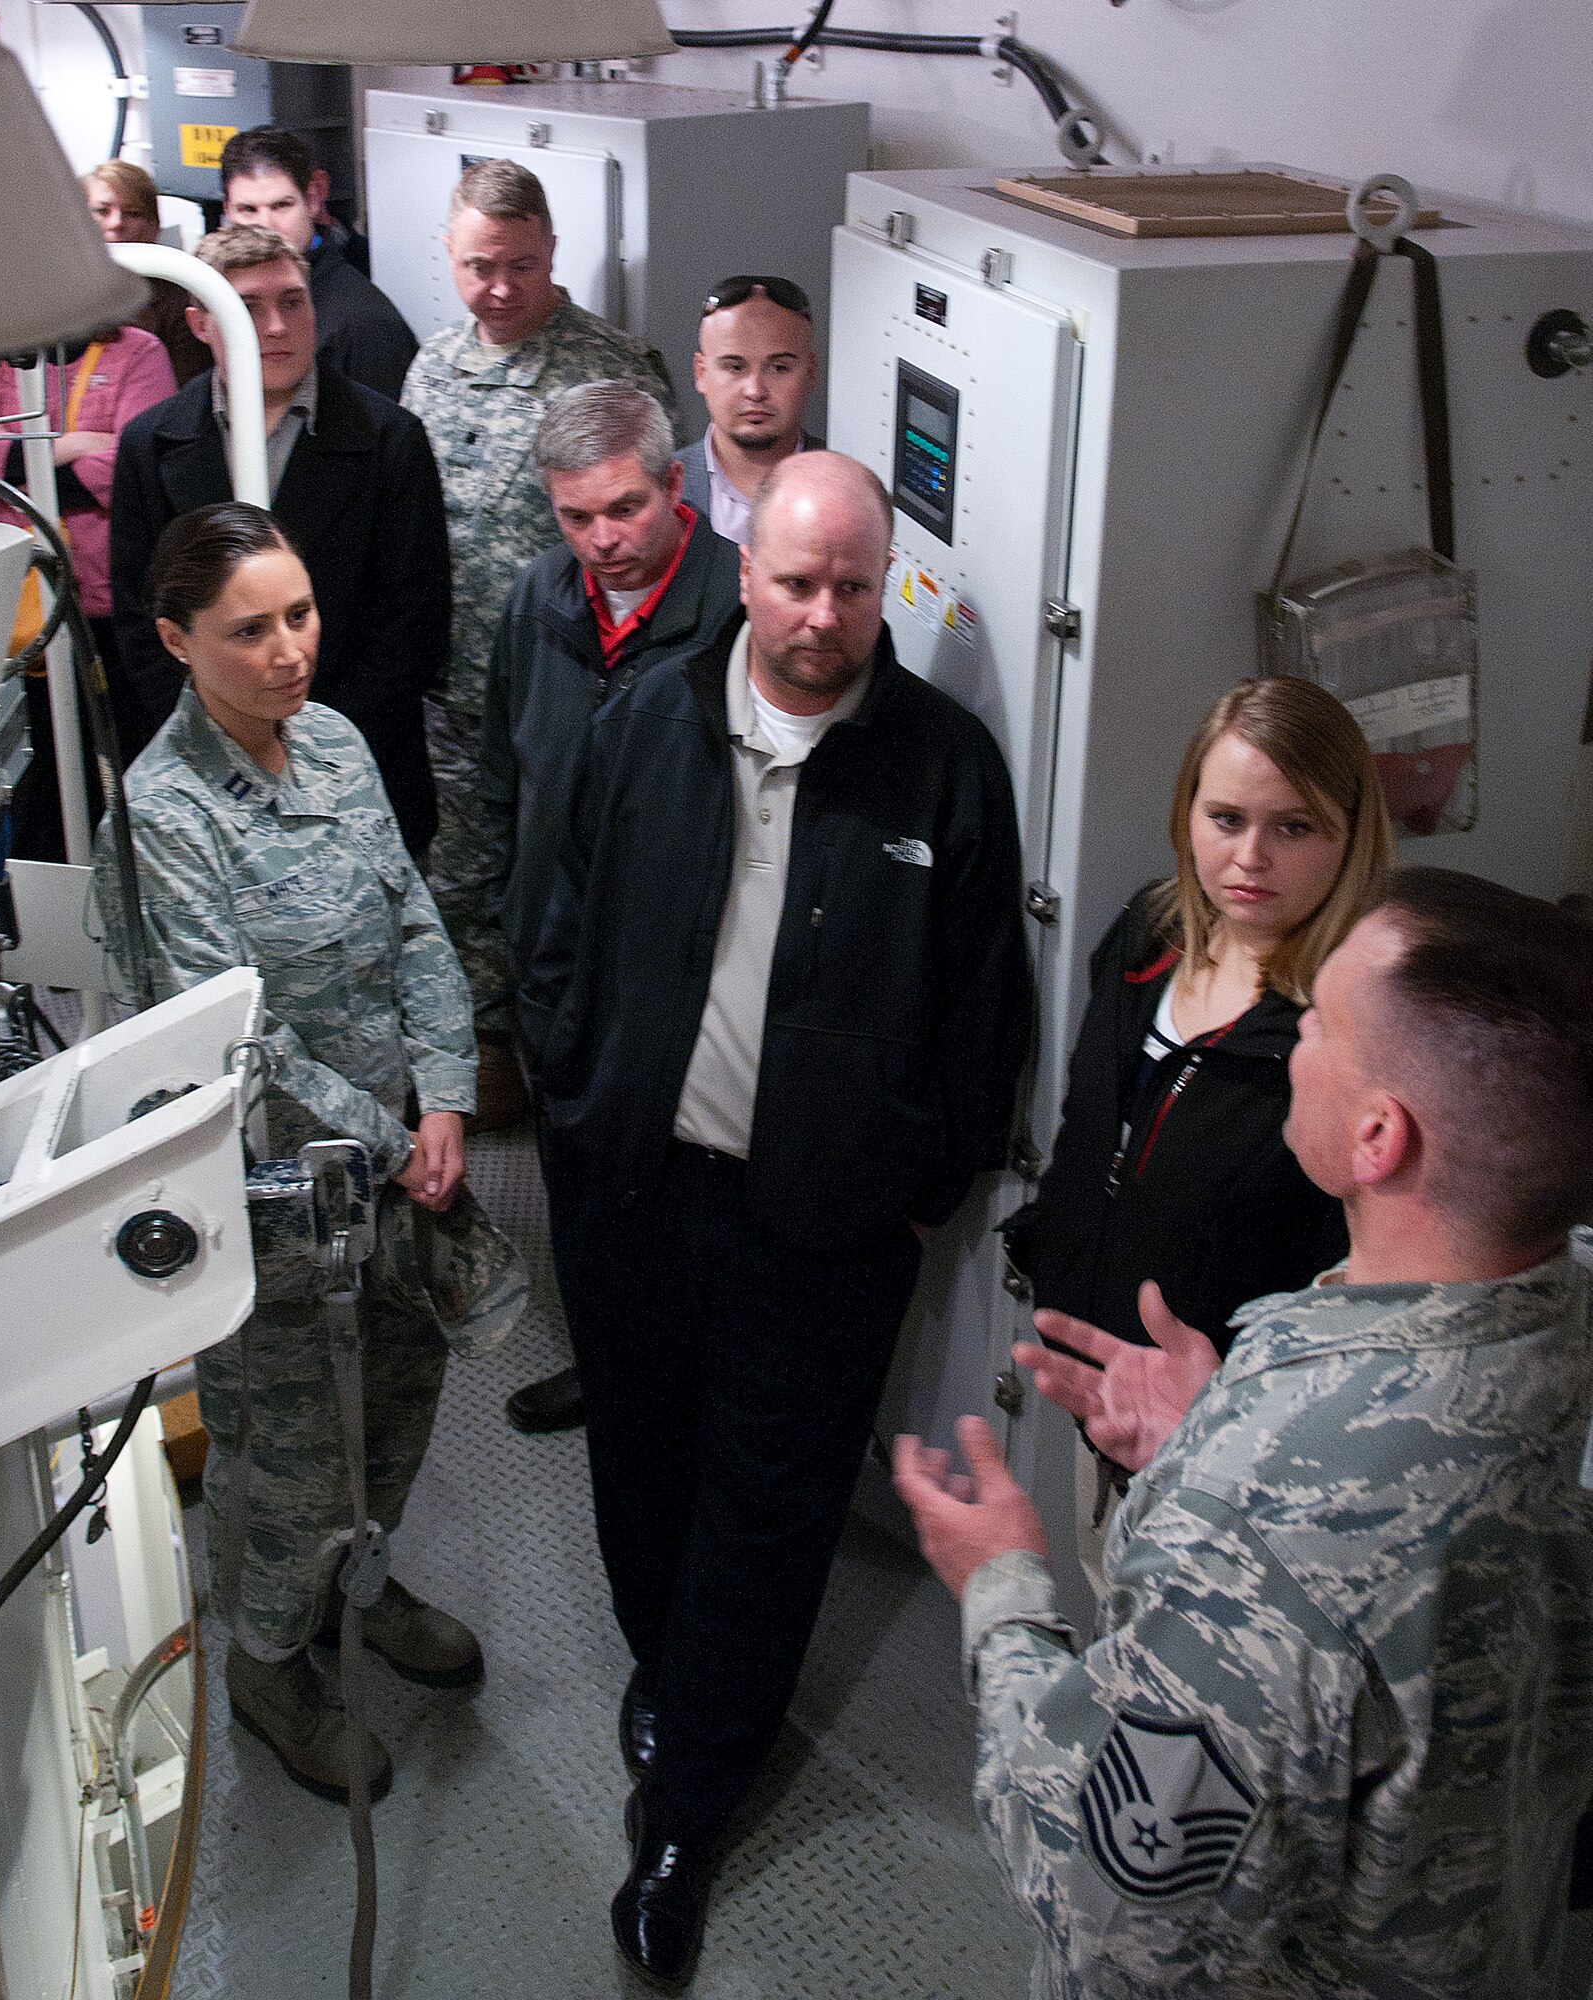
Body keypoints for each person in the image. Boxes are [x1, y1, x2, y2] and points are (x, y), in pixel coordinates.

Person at [895, 866, 1593, 2000]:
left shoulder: (1259, 1532)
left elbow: (1105, 1909)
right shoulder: (1551, 1324)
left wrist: (1004, 1587)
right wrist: (1213, 1426)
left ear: (1379, 1136)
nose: (1293, 1038)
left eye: (1317, 1021)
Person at [519, 450, 1032, 1985]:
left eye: (853, 587)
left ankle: (686, 1813)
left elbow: (979, 1011)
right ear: (739, 570)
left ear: (884, 589)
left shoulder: (939, 769)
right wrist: (572, 1093)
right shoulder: (641, 725)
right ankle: (668, 1672)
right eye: (796, 581)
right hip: (634, 1190)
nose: (822, 615)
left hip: (820, 1228)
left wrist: (913, 1179)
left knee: (771, 1502)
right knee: (642, 1457)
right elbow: (553, 925)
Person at [92, 503, 482, 1803]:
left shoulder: (336, 745)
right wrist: (389, 1139)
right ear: (175, 642)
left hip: (398, 1171)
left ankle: (340, 1593)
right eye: (247, 631)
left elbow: (415, 924)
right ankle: (266, 1659)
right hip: (274, 1202)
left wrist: (445, 1098)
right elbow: (232, 1054)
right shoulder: (165, 816)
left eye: (298, 615)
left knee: (401, 1404)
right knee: (297, 1447)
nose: (287, 652)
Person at [1001, 677, 1395, 1584]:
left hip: (1225, 1439)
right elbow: (1091, 1125)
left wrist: (1227, 1412)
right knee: (1107, 1589)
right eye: (1225, 819)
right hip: (1099, 1388)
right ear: (1187, 816)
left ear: (1348, 836)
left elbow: (1355, 1280)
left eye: (1292, 827)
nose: (1249, 856)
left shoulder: (1348, 1026)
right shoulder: (1147, 936)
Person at [478, 380, 743, 1439]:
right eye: (576, 515)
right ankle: (608, 1368)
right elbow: (503, 774)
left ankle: (692, 1389)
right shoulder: (538, 601)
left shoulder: (736, 611)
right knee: (577, 1196)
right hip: (554, 964)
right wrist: (511, 920)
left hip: (680, 981)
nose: (602, 539)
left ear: (675, 485)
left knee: (684, 1203)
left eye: (624, 509)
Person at [401, 158, 674, 1128]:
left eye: (520, 264)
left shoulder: (610, 367)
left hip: (575, 688)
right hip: (455, 688)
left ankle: (572, 1052)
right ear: (450, 254)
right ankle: (484, 1054)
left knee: (574, 876)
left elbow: (650, 541)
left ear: (555, 251)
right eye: (479, 266)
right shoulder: (431, 368)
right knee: (462, 871)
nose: (500, 288)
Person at [110, 225, 448, 856]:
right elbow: (140, 619)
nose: (275, 326)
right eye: (247, 307)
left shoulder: (389, 439)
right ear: (202, 324)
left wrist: (313, 749)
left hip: (360, 772)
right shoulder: (151, 445)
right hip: (205, 785)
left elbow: (413, 624)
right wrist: (221, 741)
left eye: (292, 302)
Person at [0, 321, 175, 857]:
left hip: (115, 611)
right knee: (43, 782)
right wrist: (71, 447)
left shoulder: (138, 353)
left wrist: (26, 466)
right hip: (26, 615)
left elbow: (137, 464)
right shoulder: (6, 357)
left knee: (128, 775)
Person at [220, 125, 417, 400]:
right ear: (228, 212)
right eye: (248, 210)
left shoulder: (364, 323)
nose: (265, 226)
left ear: (312, 200)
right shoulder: (220, 302)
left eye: (281, 206)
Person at [677, 275, 821, 543]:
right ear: (701, 373)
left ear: (810, 374)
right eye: (735, 367)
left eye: (779, 368)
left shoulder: (850, 491)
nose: (755, 391)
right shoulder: (658, 496)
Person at [80, 159, 208, 386]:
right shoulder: (55, 295)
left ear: (154, 226)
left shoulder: (180, 300)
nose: (116, 223)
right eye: (101, 211)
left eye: (132, 213)